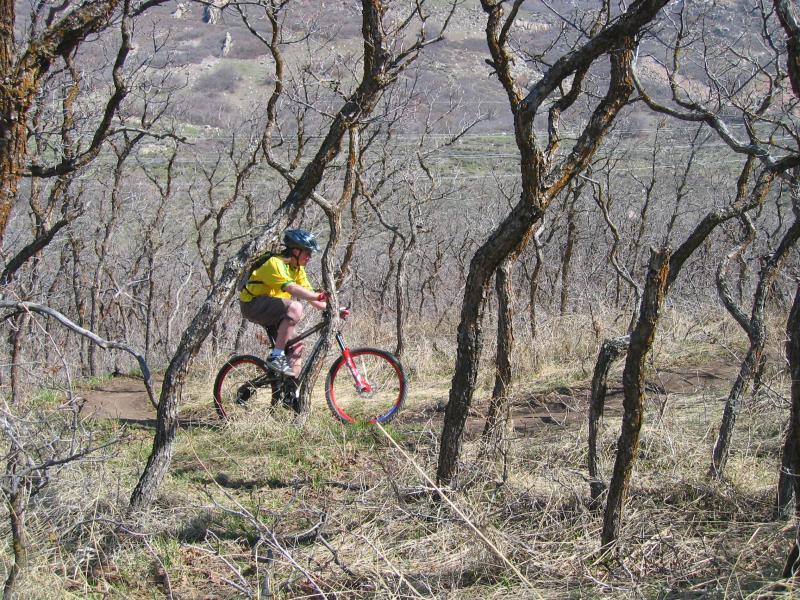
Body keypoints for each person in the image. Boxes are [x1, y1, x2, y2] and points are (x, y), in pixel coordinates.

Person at [239, 228, 327, 377]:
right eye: (307, 252)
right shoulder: (275, 263)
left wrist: (334, 309)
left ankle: (291, 392)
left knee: (296, 346)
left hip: (275, 309)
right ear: (295, 251)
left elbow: (311, 296)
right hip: (252, 304)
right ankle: (276, 356)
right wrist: (317, 297)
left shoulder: (297, 269)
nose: (310, 257)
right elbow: (292, 288)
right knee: (295, 307)